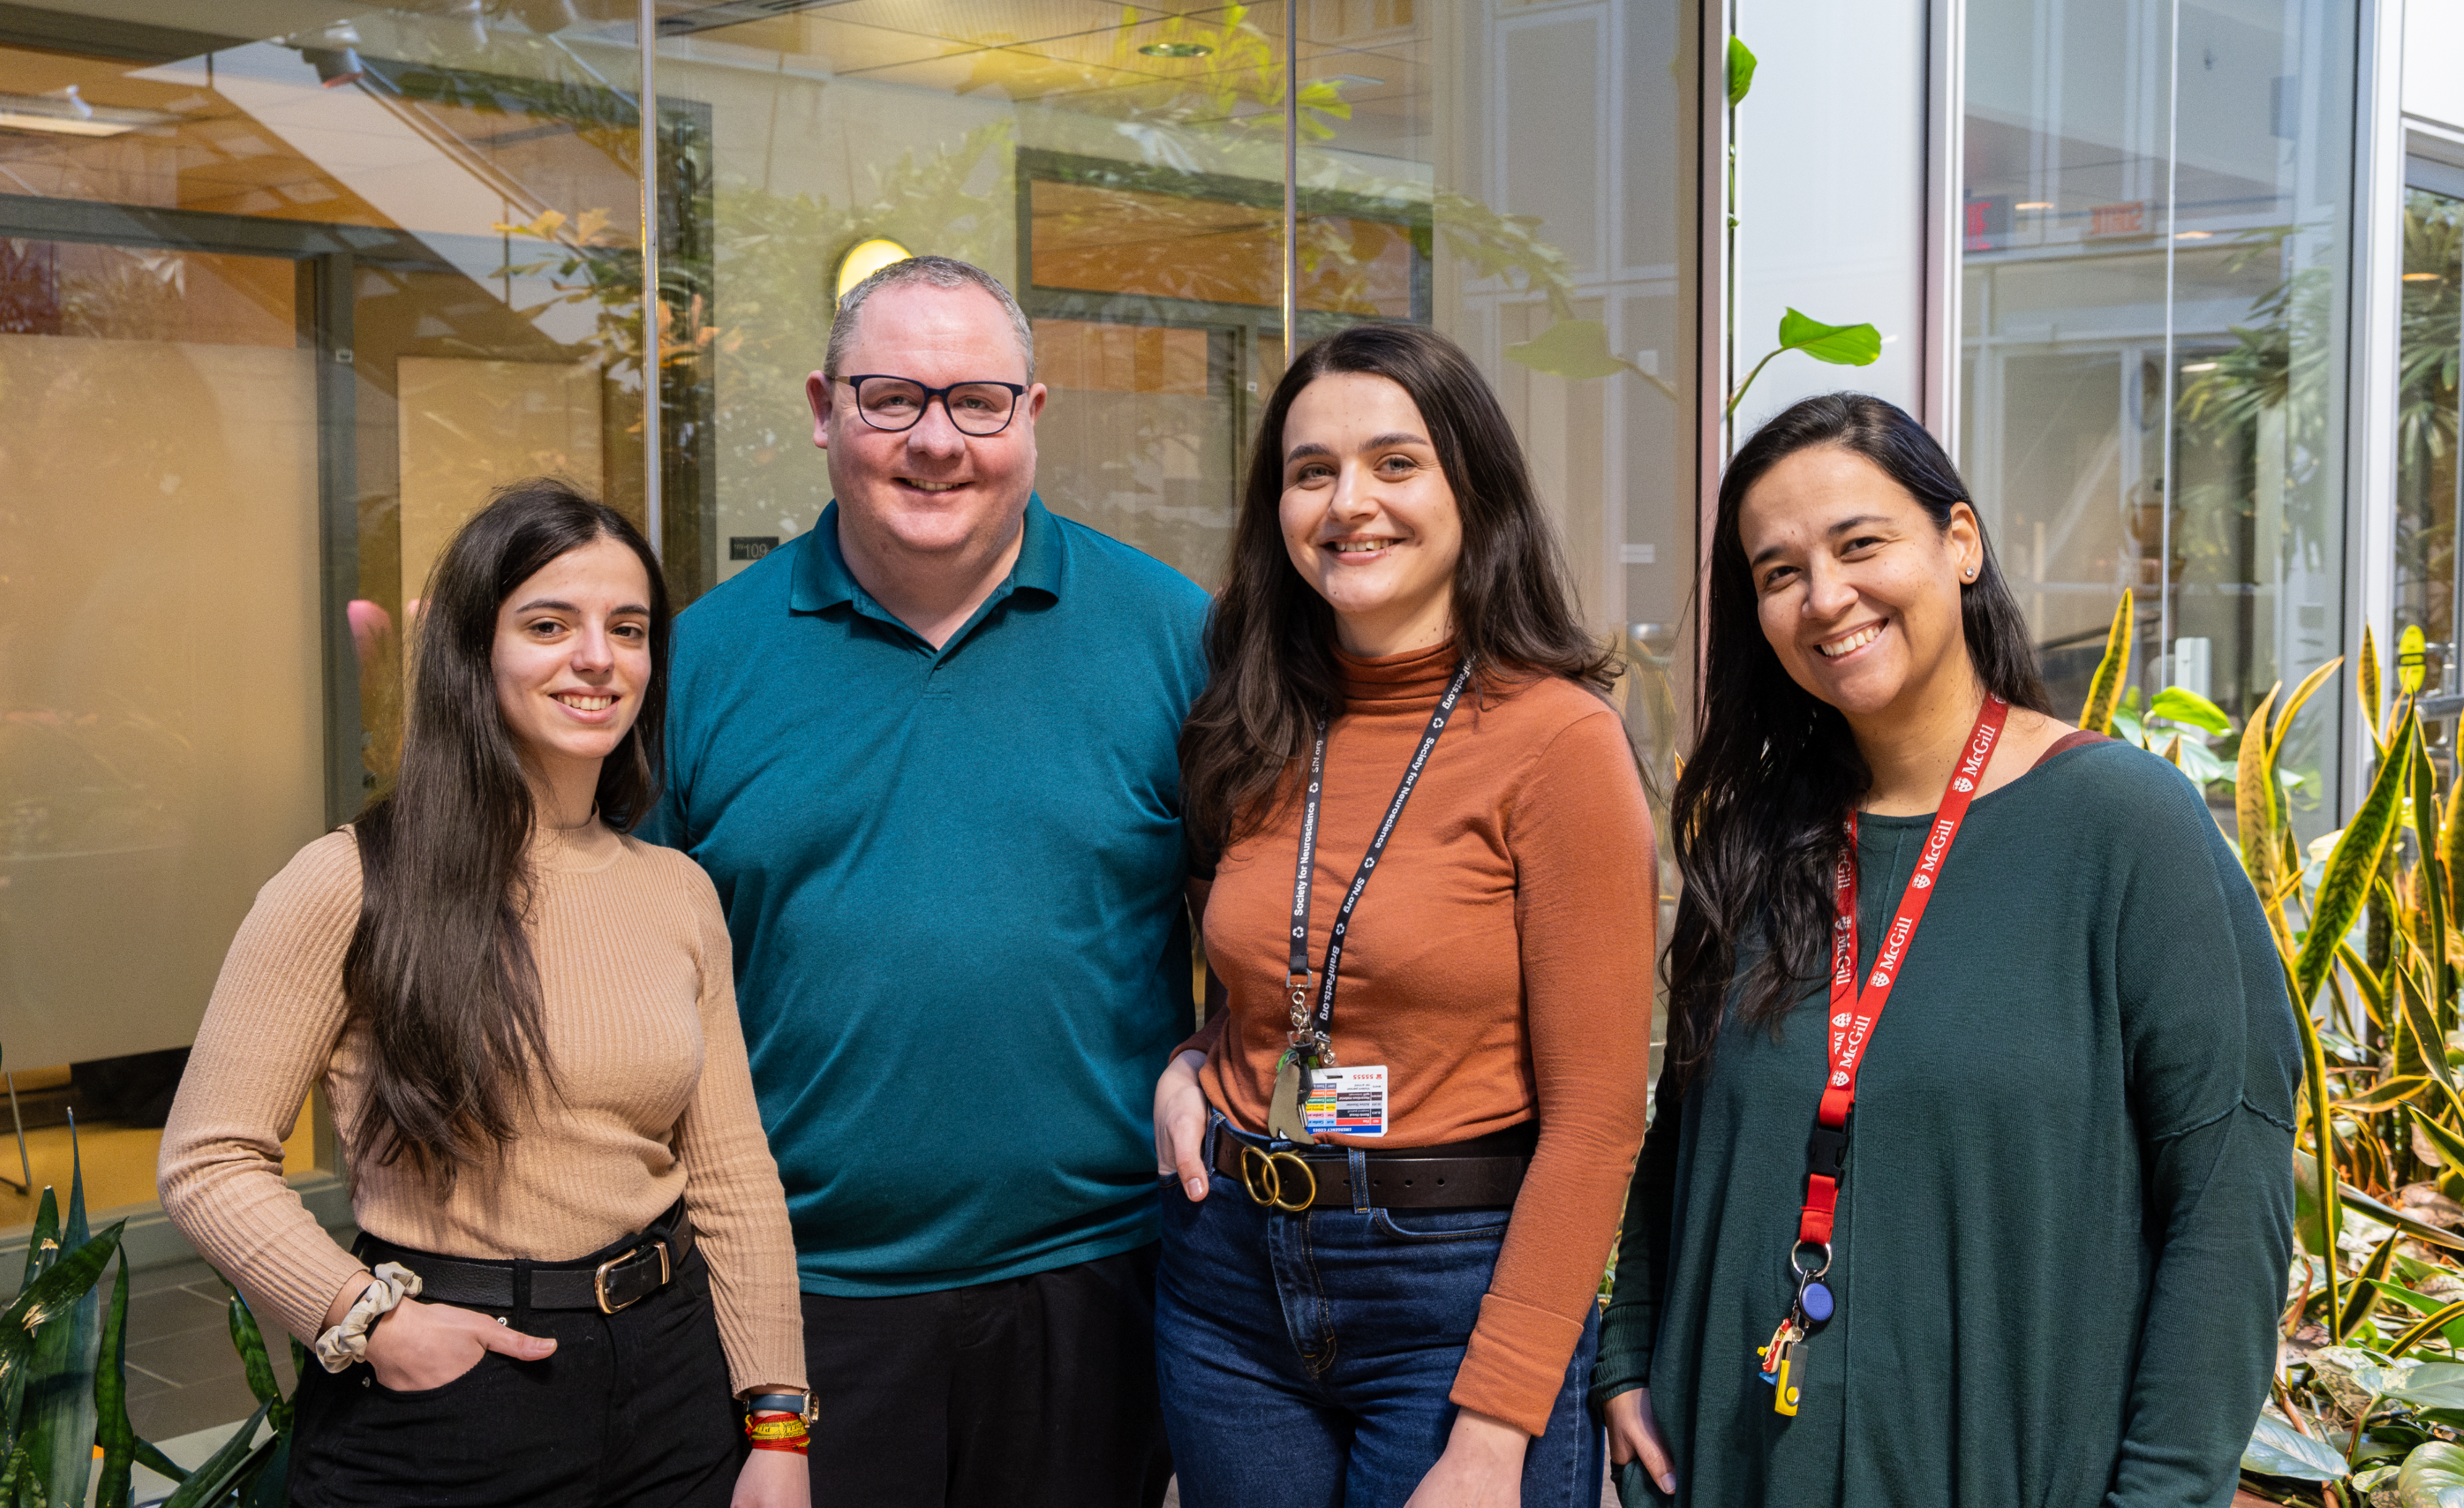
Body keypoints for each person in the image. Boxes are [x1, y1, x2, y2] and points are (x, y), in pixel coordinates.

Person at [1595, 393, 2298, 1506]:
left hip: (2003, 1469)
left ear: (1959, 542)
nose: (1828, 598)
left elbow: (2229, 1200)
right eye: (1779, 574)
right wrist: (1627, 1352)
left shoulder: (2128, 826)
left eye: (1860, 544)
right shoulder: (1752, 843)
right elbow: (1681, 1136)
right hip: (1724, 1465)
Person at [641, 255, 1209, 1507]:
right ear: (822, 407)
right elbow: (620, 973)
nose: (937, 442)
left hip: (1094, 1289)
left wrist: (1209, 1050)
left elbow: (1273, 910)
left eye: (978, 402)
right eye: (892, 398)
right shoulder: (701, 662)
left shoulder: (1176, 636)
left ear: (1034, 416)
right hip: (798, 1300)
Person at [159, 480, 810, 1508]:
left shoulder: (678, 893)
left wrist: (778, 1428)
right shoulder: (351, 881)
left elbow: (732, 1179)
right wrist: (368, 1318)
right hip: (451, 1395)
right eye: (549, 624)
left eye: (628, 629)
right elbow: (208, 1160)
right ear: (476, 650)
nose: (597, 657)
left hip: (673, 1379)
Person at [1152, 322, 1657, 1507]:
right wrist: (1194, 1057)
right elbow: (1268, 978)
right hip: (1227, 1277)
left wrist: (1492, 1436)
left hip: (1453, 1292)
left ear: (1470, 489)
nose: (1349, 502)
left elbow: (1595, 1121)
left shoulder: (1559, 741)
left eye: (1395, 462)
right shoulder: (1253, 717)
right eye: (1310, 470)